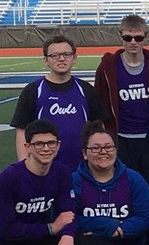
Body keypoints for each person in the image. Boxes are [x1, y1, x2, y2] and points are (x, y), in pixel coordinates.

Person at [93, 15, 149, 207]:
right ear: (121, 36)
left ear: (146, 36)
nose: (133, 42)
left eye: (138, 38)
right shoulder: (107, 67)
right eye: (128, 38)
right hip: (121, 141)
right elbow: (99, 105)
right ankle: (132, 236)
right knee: (124, 195)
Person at [11, 34, 107, 166]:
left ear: (74, 58)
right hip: (45, 169)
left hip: (83, 168)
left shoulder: (85, 89)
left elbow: (98, 127)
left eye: (66, 54)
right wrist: (23, 165)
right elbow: (22, 130)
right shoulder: (33, 90)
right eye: (54, 55)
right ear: (45, 60)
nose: (61, 59)